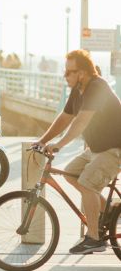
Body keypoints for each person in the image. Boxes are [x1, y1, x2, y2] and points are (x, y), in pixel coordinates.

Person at [35, 49, 121, 254]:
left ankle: (95, 239)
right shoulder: (78, 90)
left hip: (114, 149)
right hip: (97, 149)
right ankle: (109, 212)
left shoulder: (97, 87)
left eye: (68, 72)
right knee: (70, 174)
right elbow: (64, 118)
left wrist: (59, 145)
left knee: (87, 184)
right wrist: (42, 140)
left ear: (81, 73)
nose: (65, 76)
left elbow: (81, 122)